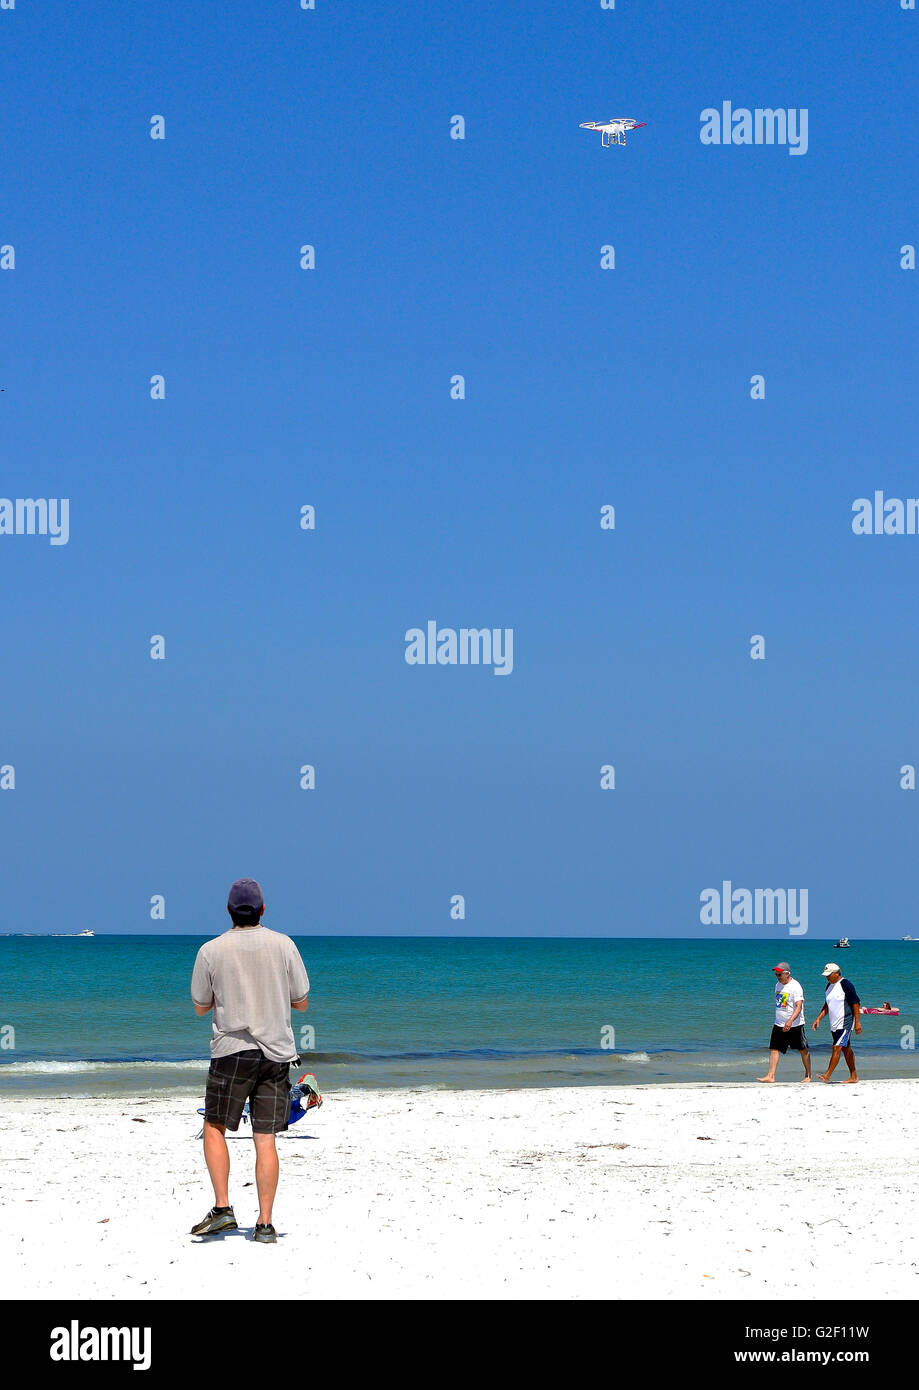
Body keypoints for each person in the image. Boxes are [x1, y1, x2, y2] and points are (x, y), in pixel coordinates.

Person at [189, 878, 310, 1243]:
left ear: (228, 910)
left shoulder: (211, 950)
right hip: (275, 1053)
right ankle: (265, 1224)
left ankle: (223, 1209)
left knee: (214, 1126)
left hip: (231, 1051)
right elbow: (301, 1001)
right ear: (262, 909)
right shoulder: (284, 945)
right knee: (265, 1138)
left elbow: (199, 1007)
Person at [757, 961, 811, 1083]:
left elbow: (799, 1006)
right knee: (774, 1048)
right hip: (779, 1023)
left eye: (779, 974)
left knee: (802, 1049)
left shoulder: (795, 986)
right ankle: (771, 1076)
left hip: (795, 1024)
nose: (777, 976)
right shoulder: (778, 985)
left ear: (787, 974)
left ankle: (808, 1075)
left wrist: (790, 1021)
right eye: (776, 974)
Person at [811, 963, 861, 1084]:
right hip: (834, 1024)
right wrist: (818, 1018)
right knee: (846, 1049)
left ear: (837, 973)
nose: (827, 977)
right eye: (826, 975)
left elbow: (856, 1003)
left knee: (836, 1047)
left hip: (845, 1022)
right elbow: (827, 1005)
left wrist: (857, 1022)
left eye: (829, 975)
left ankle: (827, 1075)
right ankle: (854, 1076)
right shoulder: (828, 986)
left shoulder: (846, 984)